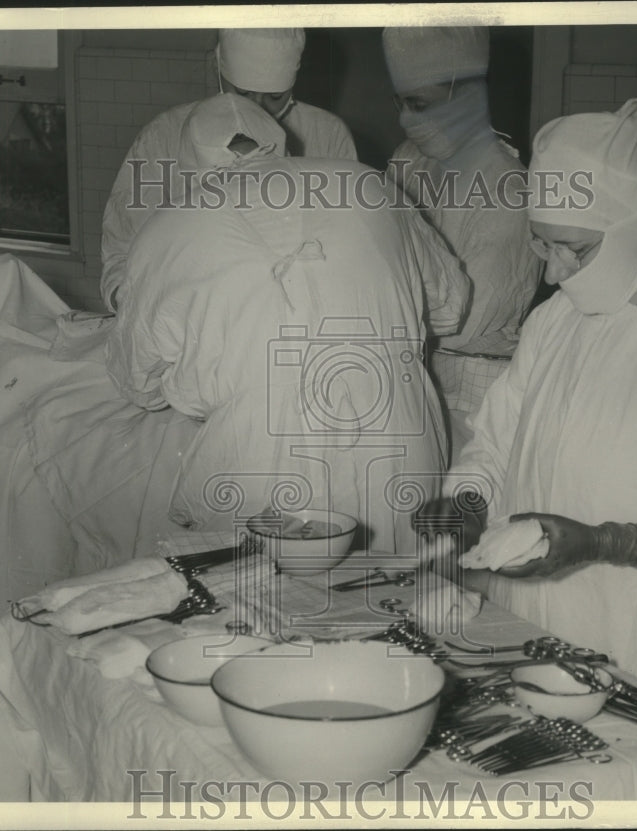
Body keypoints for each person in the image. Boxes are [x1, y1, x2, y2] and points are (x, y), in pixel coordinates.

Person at [417, 98, 637, 738]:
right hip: (537, 642)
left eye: (575, 250)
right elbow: (498, 445)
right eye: (541, 243)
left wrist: (601, 541)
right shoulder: (554, 322)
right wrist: (468, 498)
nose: (553, 272)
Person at [106, 94, 470, 552]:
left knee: (259, 610)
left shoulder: (167, 229)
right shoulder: (367, 185)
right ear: (279, 143)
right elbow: (450, 306)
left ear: (192, 167)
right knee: (394, 603)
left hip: (258, 463)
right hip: (399, 448)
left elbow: (136, 381)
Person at [100, 28, 358, 312]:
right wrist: (138, 309)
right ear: (218, 67)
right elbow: (121, 255)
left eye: (274, 96)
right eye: (243, 94)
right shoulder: (164, 136)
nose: (257, 110)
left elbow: (349, 249)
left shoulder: (327, 136)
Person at [382, 27, 544, 458]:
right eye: (399, 103)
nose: (405, 120)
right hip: (413, 375)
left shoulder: (508, 188)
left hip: (474, 398)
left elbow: (466, 319)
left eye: (420, 105)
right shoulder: (408, 161)